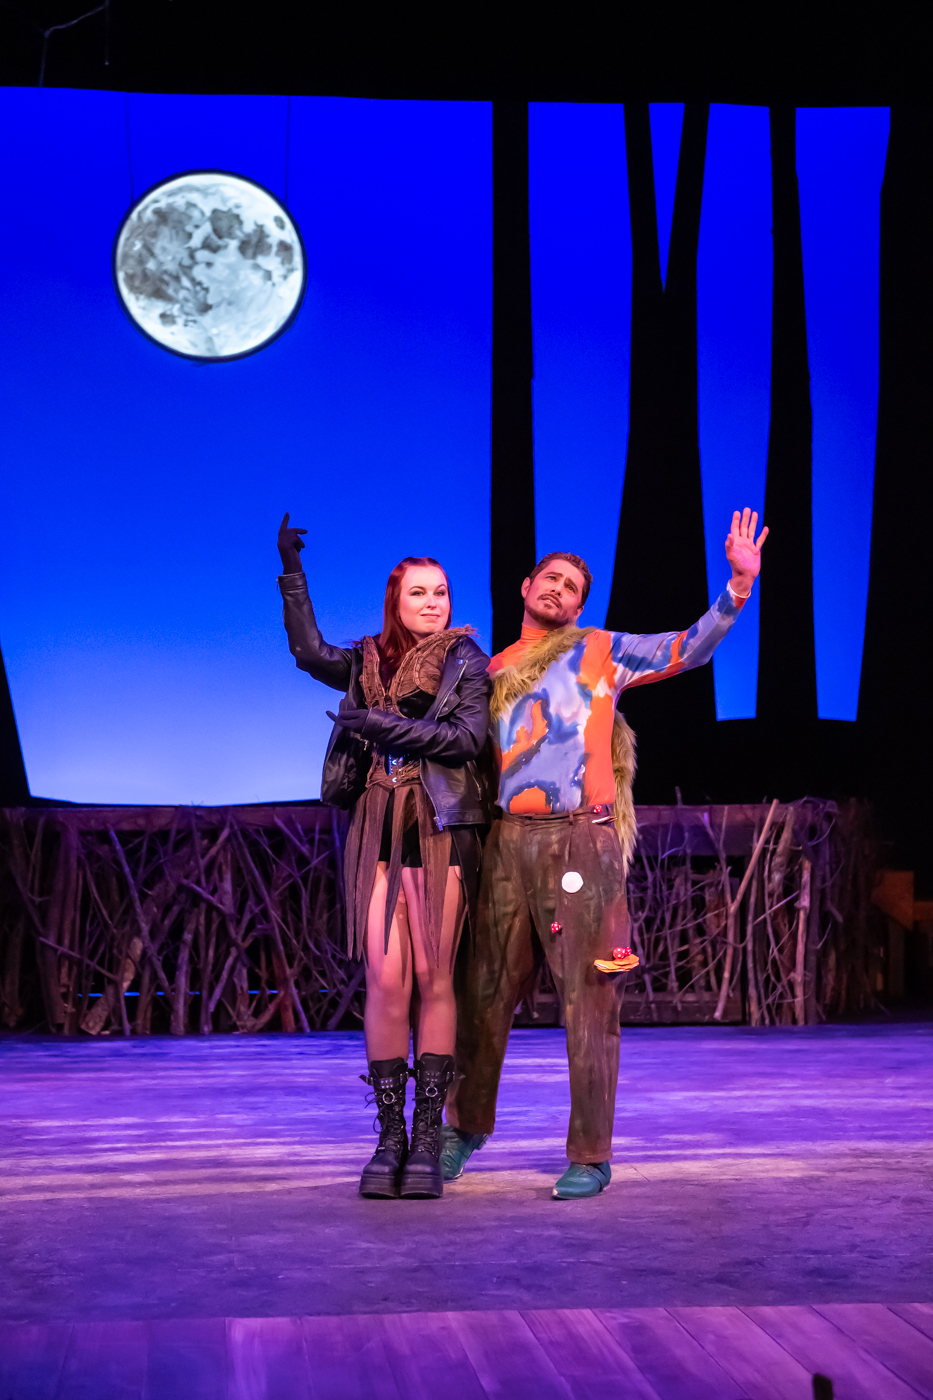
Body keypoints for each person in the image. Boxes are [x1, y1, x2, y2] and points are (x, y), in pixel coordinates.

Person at [442, 508, 769, 1199]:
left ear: (579, 608)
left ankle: (590, 1154)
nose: (559, 589)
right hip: (507, 841)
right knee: (483, 991)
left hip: (579, 841)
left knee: (590, 998)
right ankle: (463, 1127)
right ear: (526, 586)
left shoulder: (599, 649)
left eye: (573, 587)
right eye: (551, 578)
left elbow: (688, 648)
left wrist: (738, 586)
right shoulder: (490, 671)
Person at [276, 516, 491, 1200]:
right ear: (394, 602)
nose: (432, 603)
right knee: (386, 982)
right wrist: (292, 573)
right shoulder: (366, 660)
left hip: (440, 824)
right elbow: (308, 653)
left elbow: (465, 741)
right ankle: (390, 1137)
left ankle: (427, 1136)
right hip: (376, 823)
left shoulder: (467, 660)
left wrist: (379, 724)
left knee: (434, 977)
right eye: (417, 593)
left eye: (441, 592)